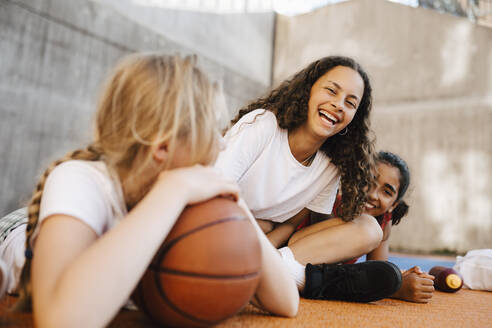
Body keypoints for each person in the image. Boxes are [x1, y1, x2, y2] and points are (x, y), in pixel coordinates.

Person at [3, 53, 298, 327]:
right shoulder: (81, 181)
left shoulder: (194, 194)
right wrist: (170, 193)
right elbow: (63, 320)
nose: (222, 144)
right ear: (164, 147)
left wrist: (236, 207)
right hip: (15, 232)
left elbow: (286, 302)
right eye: (213, 130)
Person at [214, 56, 402, 302]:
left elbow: (293, 226)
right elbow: (214, 191)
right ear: (309, 90)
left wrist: (266, 251)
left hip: (265, 247)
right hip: (217, 227)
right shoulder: (263, 125)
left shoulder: (332, 165)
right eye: (331, 91)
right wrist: (258, 229)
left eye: (350, 102)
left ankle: (267, 273)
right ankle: (312, 281)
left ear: (354, 117)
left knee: (369, 229)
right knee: (260, 227)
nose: (338, 105)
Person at [288, 151, 435, 303]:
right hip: (293, 252)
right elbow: (323, 259)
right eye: (367, 182)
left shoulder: (382, 221)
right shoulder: (332, 202)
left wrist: (398, 278)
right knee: (369, 229)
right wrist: (398, 287)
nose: (373, 194)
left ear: (393, 205)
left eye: (386, 192)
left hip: (312, 274)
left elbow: (379, 270)